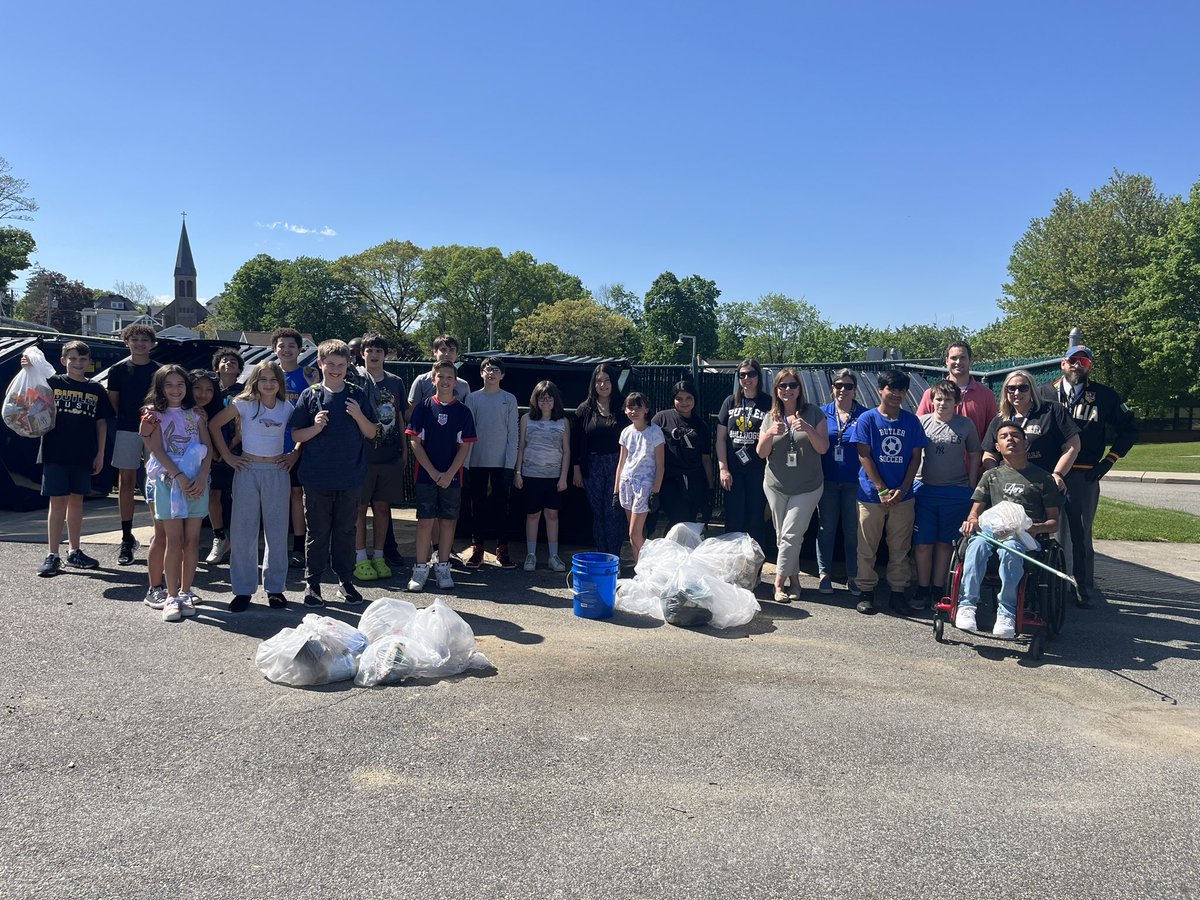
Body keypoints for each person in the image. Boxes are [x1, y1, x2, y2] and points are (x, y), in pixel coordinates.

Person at [1040, 344, 1138, 608]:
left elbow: (1130, 430)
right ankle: (1042, 582)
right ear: (1062, 364)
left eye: (1083, 361)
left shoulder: (1106, 396)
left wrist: (1109, 460)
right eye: (1072, 360)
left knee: (1080, 534)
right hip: (1045, 475)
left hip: (1083, 475)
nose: (1077, 365)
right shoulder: (1043, 393)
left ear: (1090, 366)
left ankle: (1083, 587)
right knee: (1039, 529)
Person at [289, 339, 377, 608]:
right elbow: (295, 434)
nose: (336, 369)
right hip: (316, 479)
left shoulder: (357, 394)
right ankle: (313, 583)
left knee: (345, 532)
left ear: (348, 366)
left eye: (341, 365)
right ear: (320, 364)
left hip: (350, 478)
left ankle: (345, 581)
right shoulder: (311, 395)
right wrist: (315, 428)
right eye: (331, 364)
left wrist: (359, 415)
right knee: (317, 532)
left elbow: (372, 432)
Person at [954, 422, 1061, 638]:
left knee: (1011, 548)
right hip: (991, 532)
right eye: (1004, 437)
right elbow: (974, 513)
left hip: (1023, 536)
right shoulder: (991, 476)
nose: (1010, 439)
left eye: (1015, 436)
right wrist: (971, 521)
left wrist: (1034, 528)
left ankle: (1007, 612)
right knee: (976, 545)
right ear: (998, 446)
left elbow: (1054, 523)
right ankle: (967, 605)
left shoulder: (1043, 478)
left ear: (1026, 444)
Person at [209, 361, 295, 612]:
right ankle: (243, 589)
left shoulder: (286, 407)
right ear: (255, 380)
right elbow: (214, 425)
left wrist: (294, 454)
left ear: (280, 383)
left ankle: (275, 588)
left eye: (273, 379)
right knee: (243, 532)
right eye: (263, 379)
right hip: (247, 469)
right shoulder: (243, 404)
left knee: (277, 532)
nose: (268, 384)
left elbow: (301, 431)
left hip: (277, 471)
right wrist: (227, 456)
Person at [24, 341, 114, 576]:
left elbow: (102, 422)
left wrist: (101, 453)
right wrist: (28, 368)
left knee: (77, 502)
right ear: (63, 360)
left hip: (84, 454)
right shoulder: (52, 383)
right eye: (72, 358)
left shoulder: (96, 389)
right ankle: (52, 554)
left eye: (83, 359)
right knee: (57, 502)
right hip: (54, 452)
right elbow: (25, 394)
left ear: (89, 362)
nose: (77, 363)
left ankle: (74, 551)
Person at [852, 368, 928, 615]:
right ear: (880, 390)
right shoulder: (867, 419)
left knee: (900, 547)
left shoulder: (911, 421)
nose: (896, 394)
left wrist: (904, 488)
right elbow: (864, 454)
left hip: (902, 497)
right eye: (891, 389)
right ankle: (866, 592)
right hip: (871, 496)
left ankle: (897, 593)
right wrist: (881, 488)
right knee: (867, 546)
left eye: (901, 390)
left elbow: (916, 458)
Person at [141, 365, 213, 622]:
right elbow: (155, 447)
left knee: (192, 541)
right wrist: (179, 476)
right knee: (173, 541)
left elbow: (207, 447)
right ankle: (170, 595)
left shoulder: (196, 414)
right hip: (168, 483)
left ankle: (185, 591)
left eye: (180, 384)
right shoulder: (153, 414)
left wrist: (203, 476)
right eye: (168, 385)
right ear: (160, 388)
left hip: (197, 483)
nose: (175, 390)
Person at [756, 367, 828, 603]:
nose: (788, 389)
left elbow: (823, 448)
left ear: (800, 389)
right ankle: (794, 582)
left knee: (790, 534)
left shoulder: (814, 413)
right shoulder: (770, 417)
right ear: (777, 389)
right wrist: (769, 435)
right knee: (784, 536)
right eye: (783, 385)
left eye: (792, 385)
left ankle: (778, 584)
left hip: (808, 486)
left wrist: (806, 428)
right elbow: (761, 453)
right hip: (776, 484)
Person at [405, 360, 477, 591]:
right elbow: (414, 442)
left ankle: (443, 566)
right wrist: (434, 472)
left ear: (455, 382)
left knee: (448, 522)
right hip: (427, 475)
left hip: (452, 477)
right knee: (425, 521)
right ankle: (420, 567)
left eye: (449, 377)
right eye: (440, 377)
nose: (445, 381)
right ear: (433, 379)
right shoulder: (423, 408)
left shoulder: (463, 412)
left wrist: (449, 474)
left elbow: (465, 447)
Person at [911, 379, 982, 611]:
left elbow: (974, 454)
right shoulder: (921, 422)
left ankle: (937, 589)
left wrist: (970, 486)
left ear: (956, 403)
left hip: (955, 492)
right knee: (923, 544)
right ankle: (922, 588)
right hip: (924, 491)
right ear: (931, 401)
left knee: (944, 543)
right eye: (938, 399)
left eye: (947, 399)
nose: (942, 403)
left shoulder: (965, 425)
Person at [352, 332, 409, 582]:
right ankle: (360, 558)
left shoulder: (395, 382)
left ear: (386, 355)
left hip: (389, 456)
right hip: (361, 457)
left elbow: (400, 418)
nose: (374, 355)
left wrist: (405, 450)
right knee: (359, 509)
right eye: (370, 350)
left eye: (379, 351)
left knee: (383, 508)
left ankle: (379, 555)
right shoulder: (352, 378)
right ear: (362, 353)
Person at [982, 370, 1080, 503]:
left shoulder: (1052, 410)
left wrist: (1058, 474)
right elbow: (989, 455)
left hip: (1045, 486)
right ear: (1006, 392)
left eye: (1023, 388)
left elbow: (1073, 446)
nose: (1017, 393)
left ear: (1032, 389)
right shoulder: (999, 420)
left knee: (1050, 523)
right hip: (1010, 489)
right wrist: (997, 477)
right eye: (1011, 388)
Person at [106, 323, 158, 565]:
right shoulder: (117, 370)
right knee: (126, 482)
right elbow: (114, 404)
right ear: (127, 342)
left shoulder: (160, 371)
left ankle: (161, 535)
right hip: (127, 430)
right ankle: (127, 539)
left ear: (152, 344)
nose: (140, 344)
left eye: (144, 340)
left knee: (155, 482)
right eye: (135, 339)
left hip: (155, 431)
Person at [464, 357, 520, 570]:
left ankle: (502, 550)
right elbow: (468, 433)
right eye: (487, 369)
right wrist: (466, 464)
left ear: (502, 375)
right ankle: (477, 549)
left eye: (496, 370)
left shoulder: (509, 399)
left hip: (501, 464)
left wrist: (510, 464)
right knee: (477, 507)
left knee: (501, 508)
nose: (491, 373)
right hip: (476, 462)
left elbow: (513, 434)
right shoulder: (473, 398)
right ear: (481, 373)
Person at [271, 327, 319, 568]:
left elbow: (314, 416)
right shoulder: (266, 375)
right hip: (269, 449)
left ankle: (300, 547)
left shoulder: (310, 375)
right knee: (274, 499)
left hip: (300, 448)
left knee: (297, 495)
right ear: (274, 349)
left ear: (300, 350)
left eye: (291, 346)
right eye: (282, 346)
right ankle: (275, 547)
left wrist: (297, 450)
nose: (286, 350)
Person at [817, 368, 867, 597]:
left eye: (848, 386)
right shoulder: (821, 414)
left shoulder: (865, 416)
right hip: (827, 480)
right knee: (826, 528)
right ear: (832, 389)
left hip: (855, 482)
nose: (843, 390)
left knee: (852, 531)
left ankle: (853, 576)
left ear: (855, 390)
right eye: (838, 385)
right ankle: (824, 575)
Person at [571, 363, 629, 557]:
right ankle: (603, 556)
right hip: (592, 467)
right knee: (599, 515)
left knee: (614, 513)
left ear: (613, 382)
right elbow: (575, 443)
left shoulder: (623, 408)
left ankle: (615, 558)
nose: (602, 385)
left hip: (618, 465)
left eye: (606, 380)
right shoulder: (583, 410)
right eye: (598, 381)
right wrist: (577, 469)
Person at [716, 359, 771, 551]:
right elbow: (721, 438)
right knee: (734, 518)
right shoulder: (730, 402)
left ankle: (754, 568)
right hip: (734, 471)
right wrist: (723, 469)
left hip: (758, 470)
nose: (747, 378)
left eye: (751, 374)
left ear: (758, 376)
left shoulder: (768, 402)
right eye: (742, 375)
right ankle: (731, 563)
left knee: (756, 519)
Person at [515, 380, 570, 572]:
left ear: (555, 401)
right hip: (530, 475)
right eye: (541, 399)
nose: (545, 402)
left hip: (554, 477)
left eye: (549, 398)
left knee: (552, 515)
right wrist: (518, 472)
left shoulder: (563, 422)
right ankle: (531, 555)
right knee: (533, 515)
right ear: (535, 400)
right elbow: (521, 446)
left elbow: (567, 451)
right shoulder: (526, 419)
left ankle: (553, 556)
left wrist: (563, 477)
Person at [651, 380, 713, 531]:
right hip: (670, 480)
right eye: (679, 398)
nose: (684, 402)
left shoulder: (701, 425)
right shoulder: (661, 419)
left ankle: (684, 552)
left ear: (694, 399)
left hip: (694, 480)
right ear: (673, 399)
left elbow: (706, 459)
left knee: (690, 520)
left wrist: (710, 487)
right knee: (679, 519)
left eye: (688, 398)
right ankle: (670, 550)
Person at [614, 392, 665, 563]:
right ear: (625, 410)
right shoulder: (626, 432)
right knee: (635, 533)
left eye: (638, 407)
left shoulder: (655, 432)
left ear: (646, 410)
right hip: (626, 483)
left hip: (644, 486)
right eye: (630, 408)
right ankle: (639, 570)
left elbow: (660, 465)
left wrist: (655, 492)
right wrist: (616, 491)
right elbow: (621, 463)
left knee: (634, 533)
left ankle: (650, 566)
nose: (634, 411)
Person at [205, 348, 245, 565]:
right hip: (211, 453)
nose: (228, 363)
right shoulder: (208, 391)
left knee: (239, 499)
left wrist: (229, 448)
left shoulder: (244, 392)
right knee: (214, 496)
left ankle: (237, 540)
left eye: (233, 361)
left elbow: (242, 426)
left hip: (237, 451)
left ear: (239, 369)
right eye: (224, 360)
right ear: (217, 367)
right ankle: (219, 537)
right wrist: (215, 451)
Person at [915, 340, 998, 440]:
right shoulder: (931, 394)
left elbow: (993, 433)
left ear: (970, 360)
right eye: (953, 358)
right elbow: (918, 429)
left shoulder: (986, 395)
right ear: (947, 361)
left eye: (962, 357)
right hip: (938, 455)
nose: (958, 362)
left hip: (974, 455)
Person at [189, 369, 224, 566]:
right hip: (176, 474)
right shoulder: (172, 408)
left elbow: (213, 448)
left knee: (213, 498)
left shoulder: (216, 411)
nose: (203, 394)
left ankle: (220, 538)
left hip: (208, 467)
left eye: (209, 390)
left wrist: (206, 423)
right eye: (197, 388)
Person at [407, 334, 470, 414]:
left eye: (451, 350)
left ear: (456, 354)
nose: (447, 354)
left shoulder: (464, 385)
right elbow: (411, 413)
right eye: (443, 350)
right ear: (434, 352)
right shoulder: (421, 381)